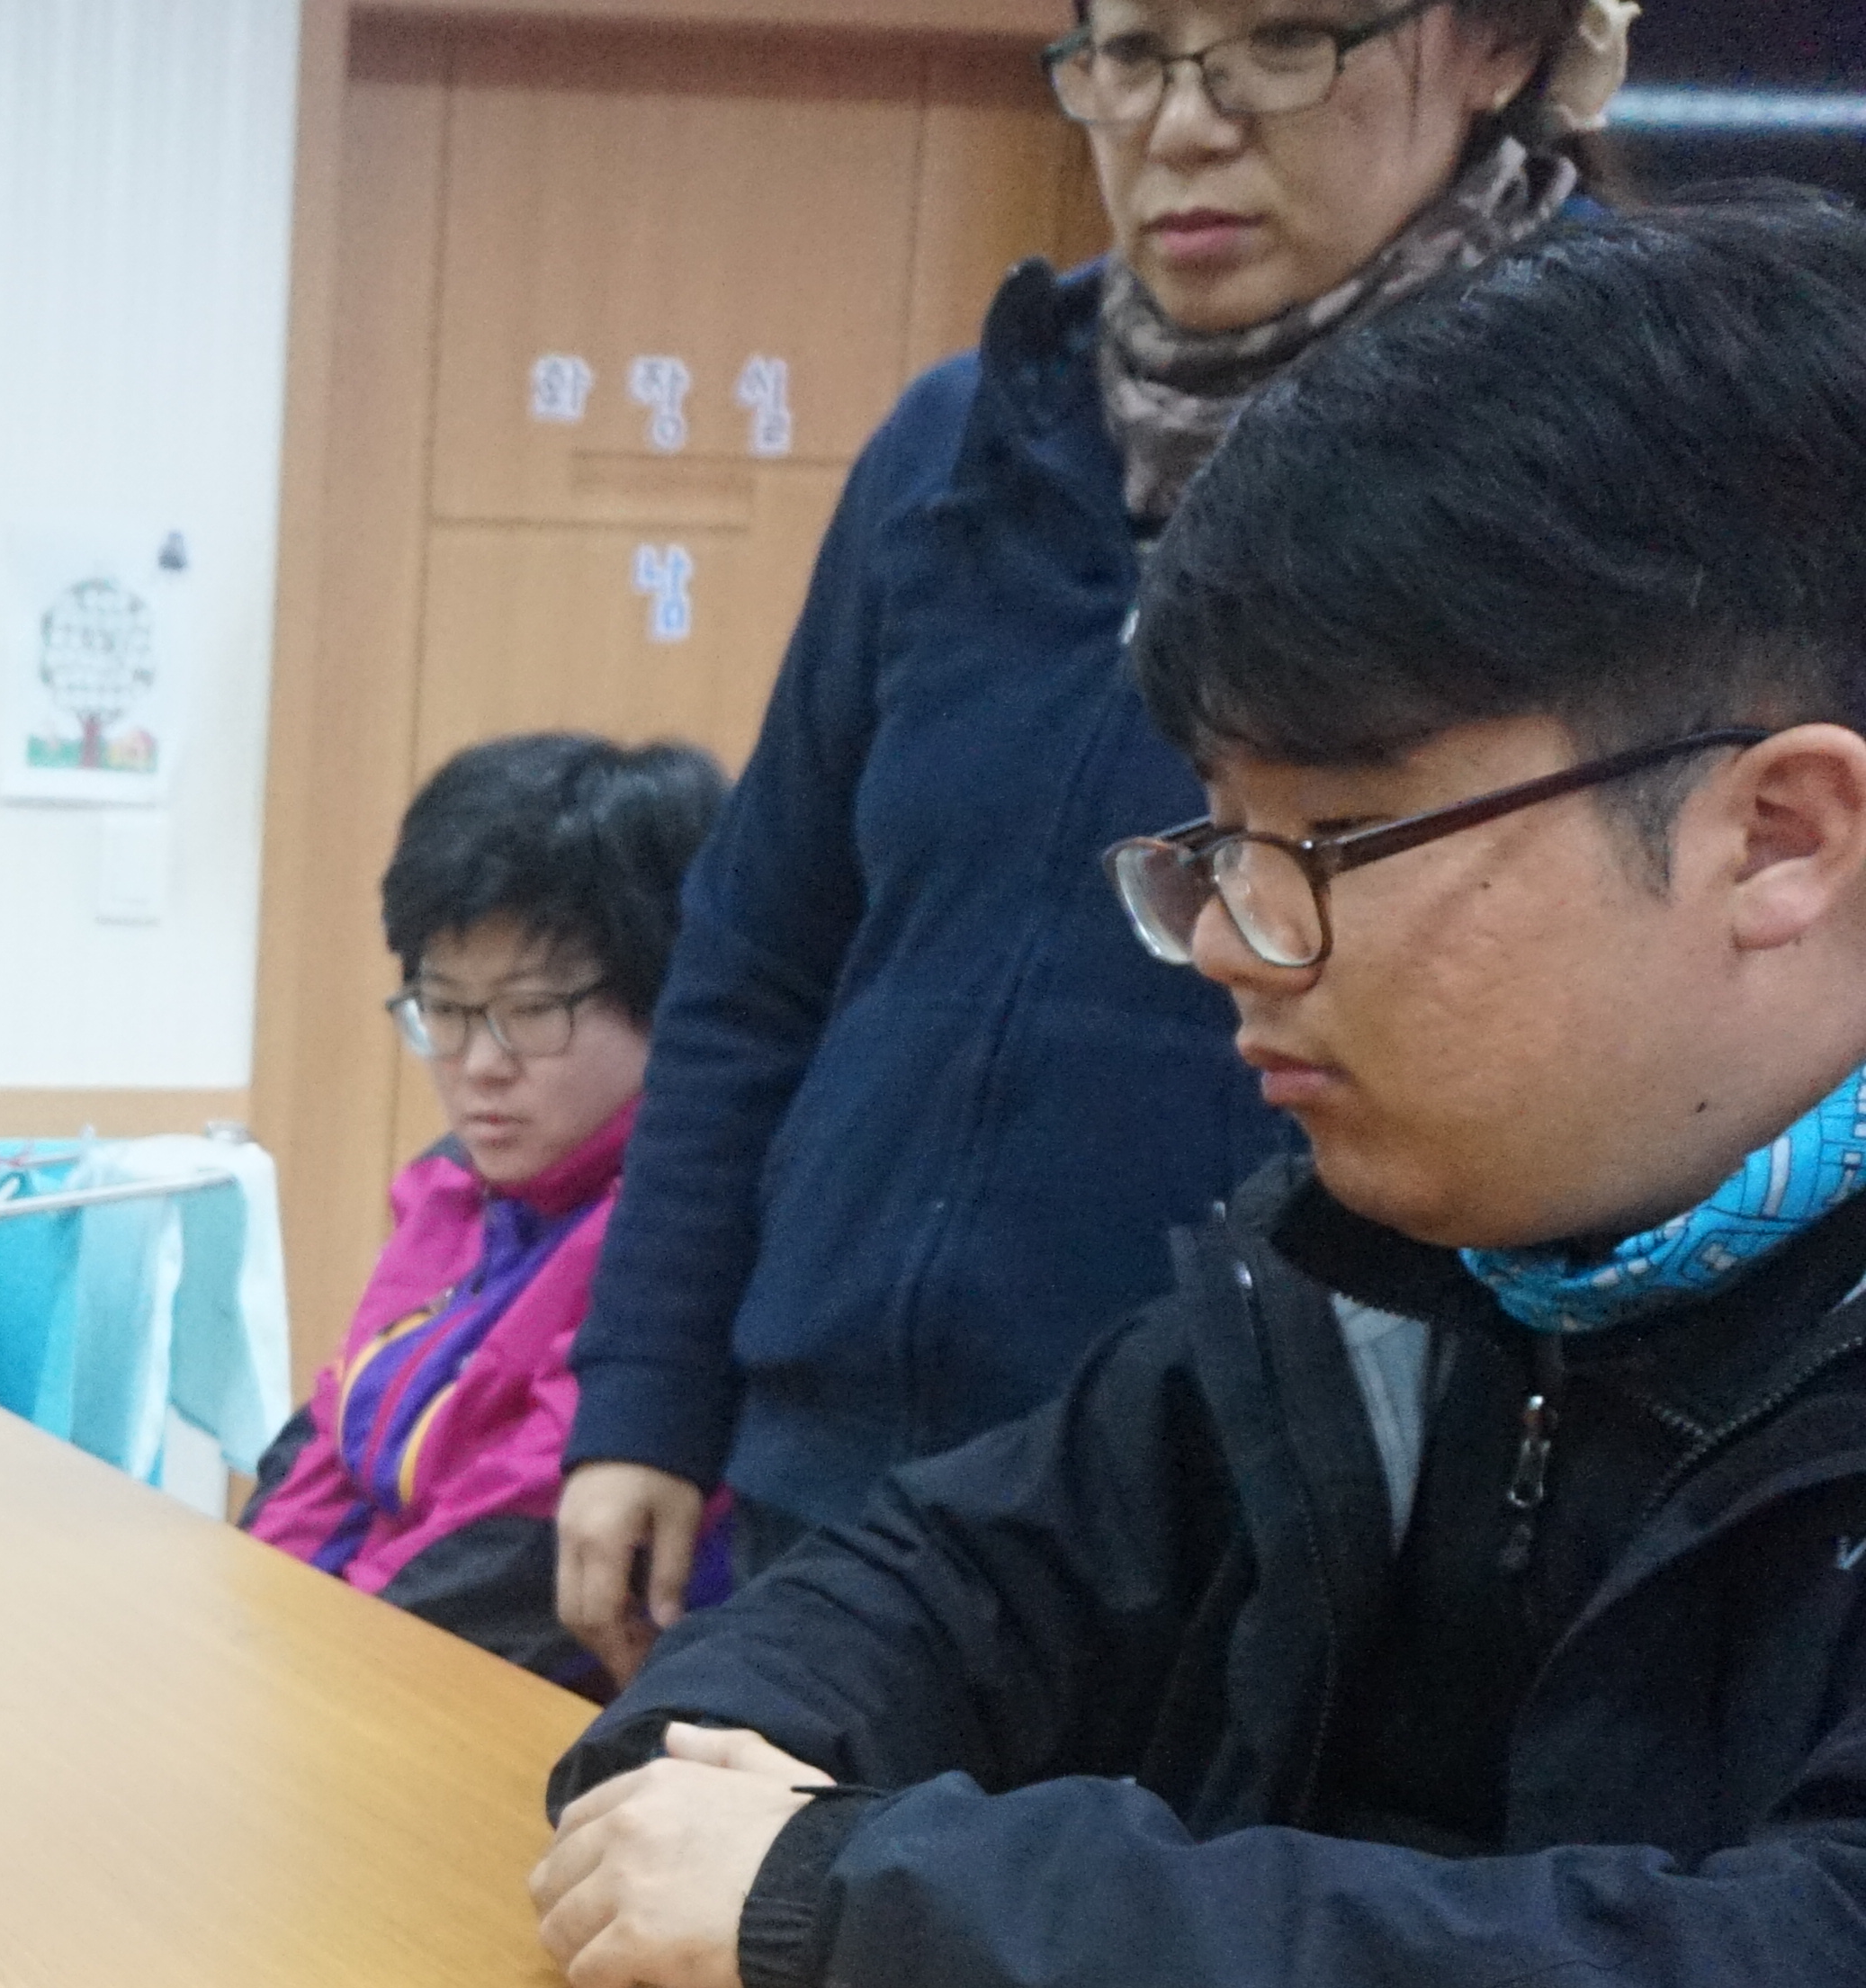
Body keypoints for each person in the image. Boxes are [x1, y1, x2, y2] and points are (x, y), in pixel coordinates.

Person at [527, 193, 1866, 1988]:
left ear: (1775, 836)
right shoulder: (1385, 1260)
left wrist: (845, 1901)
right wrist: (694, 1775)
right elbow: (940, 1574)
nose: (1229, 943)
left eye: (1323, 845)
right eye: (1217, 844)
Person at [550, 0, 1640, 1682]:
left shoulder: (1606, 448)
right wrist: (645, 1392)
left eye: (1283, 40)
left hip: (1265, 1523)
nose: (1183, 124)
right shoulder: (957, 444)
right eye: (1130, 53)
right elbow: (761, 953)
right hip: (839, 1473)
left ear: (1499, 45)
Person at [246, 735, 730, 1688]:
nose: (478, 1065)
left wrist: (298, 1679)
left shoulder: (682, 1245)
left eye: (532, 1009)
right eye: (445, 1009)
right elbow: (331, 1454)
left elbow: (508, 1546)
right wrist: (245, 1629)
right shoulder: (456, 1187)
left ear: (668, 997)